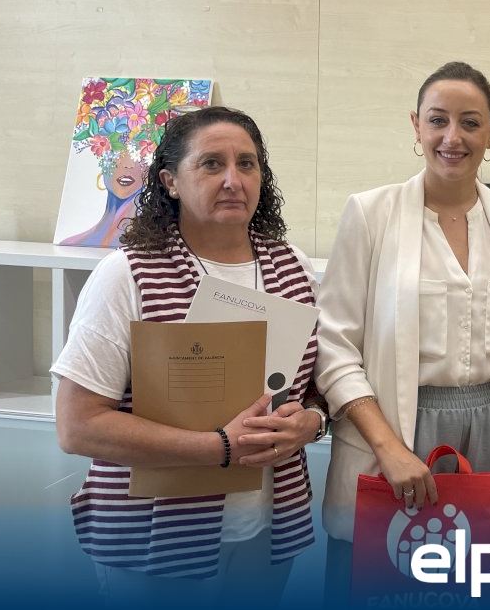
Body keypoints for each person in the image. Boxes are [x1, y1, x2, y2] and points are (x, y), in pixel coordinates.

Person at [52, 106, 327, 606]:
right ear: (170, 181)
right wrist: (218, 447)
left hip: (266, 534)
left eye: (247, 164)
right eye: (211, 164)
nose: (233, 180)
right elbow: (78, 426)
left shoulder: (294, 268)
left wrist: (312, 423)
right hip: (152, 541)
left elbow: (314, 389)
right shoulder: (127, 275)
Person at [313, 61, 490, 605]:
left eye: (470, 122)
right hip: (393, 428)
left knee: (475, 585)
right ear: (416, 125)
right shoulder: (370, 213)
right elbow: (334, 346)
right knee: (382, 583)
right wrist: (389, 448)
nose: (452, 137)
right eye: (438, 120)